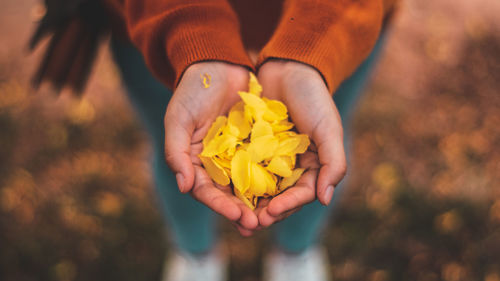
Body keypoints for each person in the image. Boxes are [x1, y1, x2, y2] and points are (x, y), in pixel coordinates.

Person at [31, 0, 399, 280]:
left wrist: (313, 43)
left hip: (340, 19)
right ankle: (196, 255)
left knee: (323, 141)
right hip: (154, 16)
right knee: (176, 147)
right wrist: (194, 37)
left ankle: (295, 253)